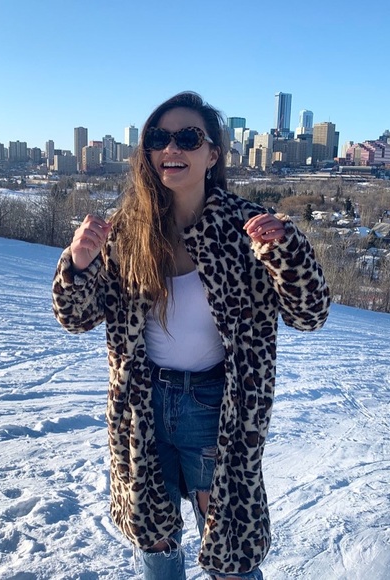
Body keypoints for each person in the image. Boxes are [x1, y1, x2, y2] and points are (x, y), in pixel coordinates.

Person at [52, 91, 330, 580]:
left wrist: (289, 252)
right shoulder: (127, 231)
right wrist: (78, 264)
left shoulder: (246, 229)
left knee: (228, 548)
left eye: (188, 137)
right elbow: (75, 319)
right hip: (142, 407)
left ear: (213, 154)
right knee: (155, 542)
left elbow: (310, 316)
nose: (171, 148)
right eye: (159, 138)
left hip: (216, 408)